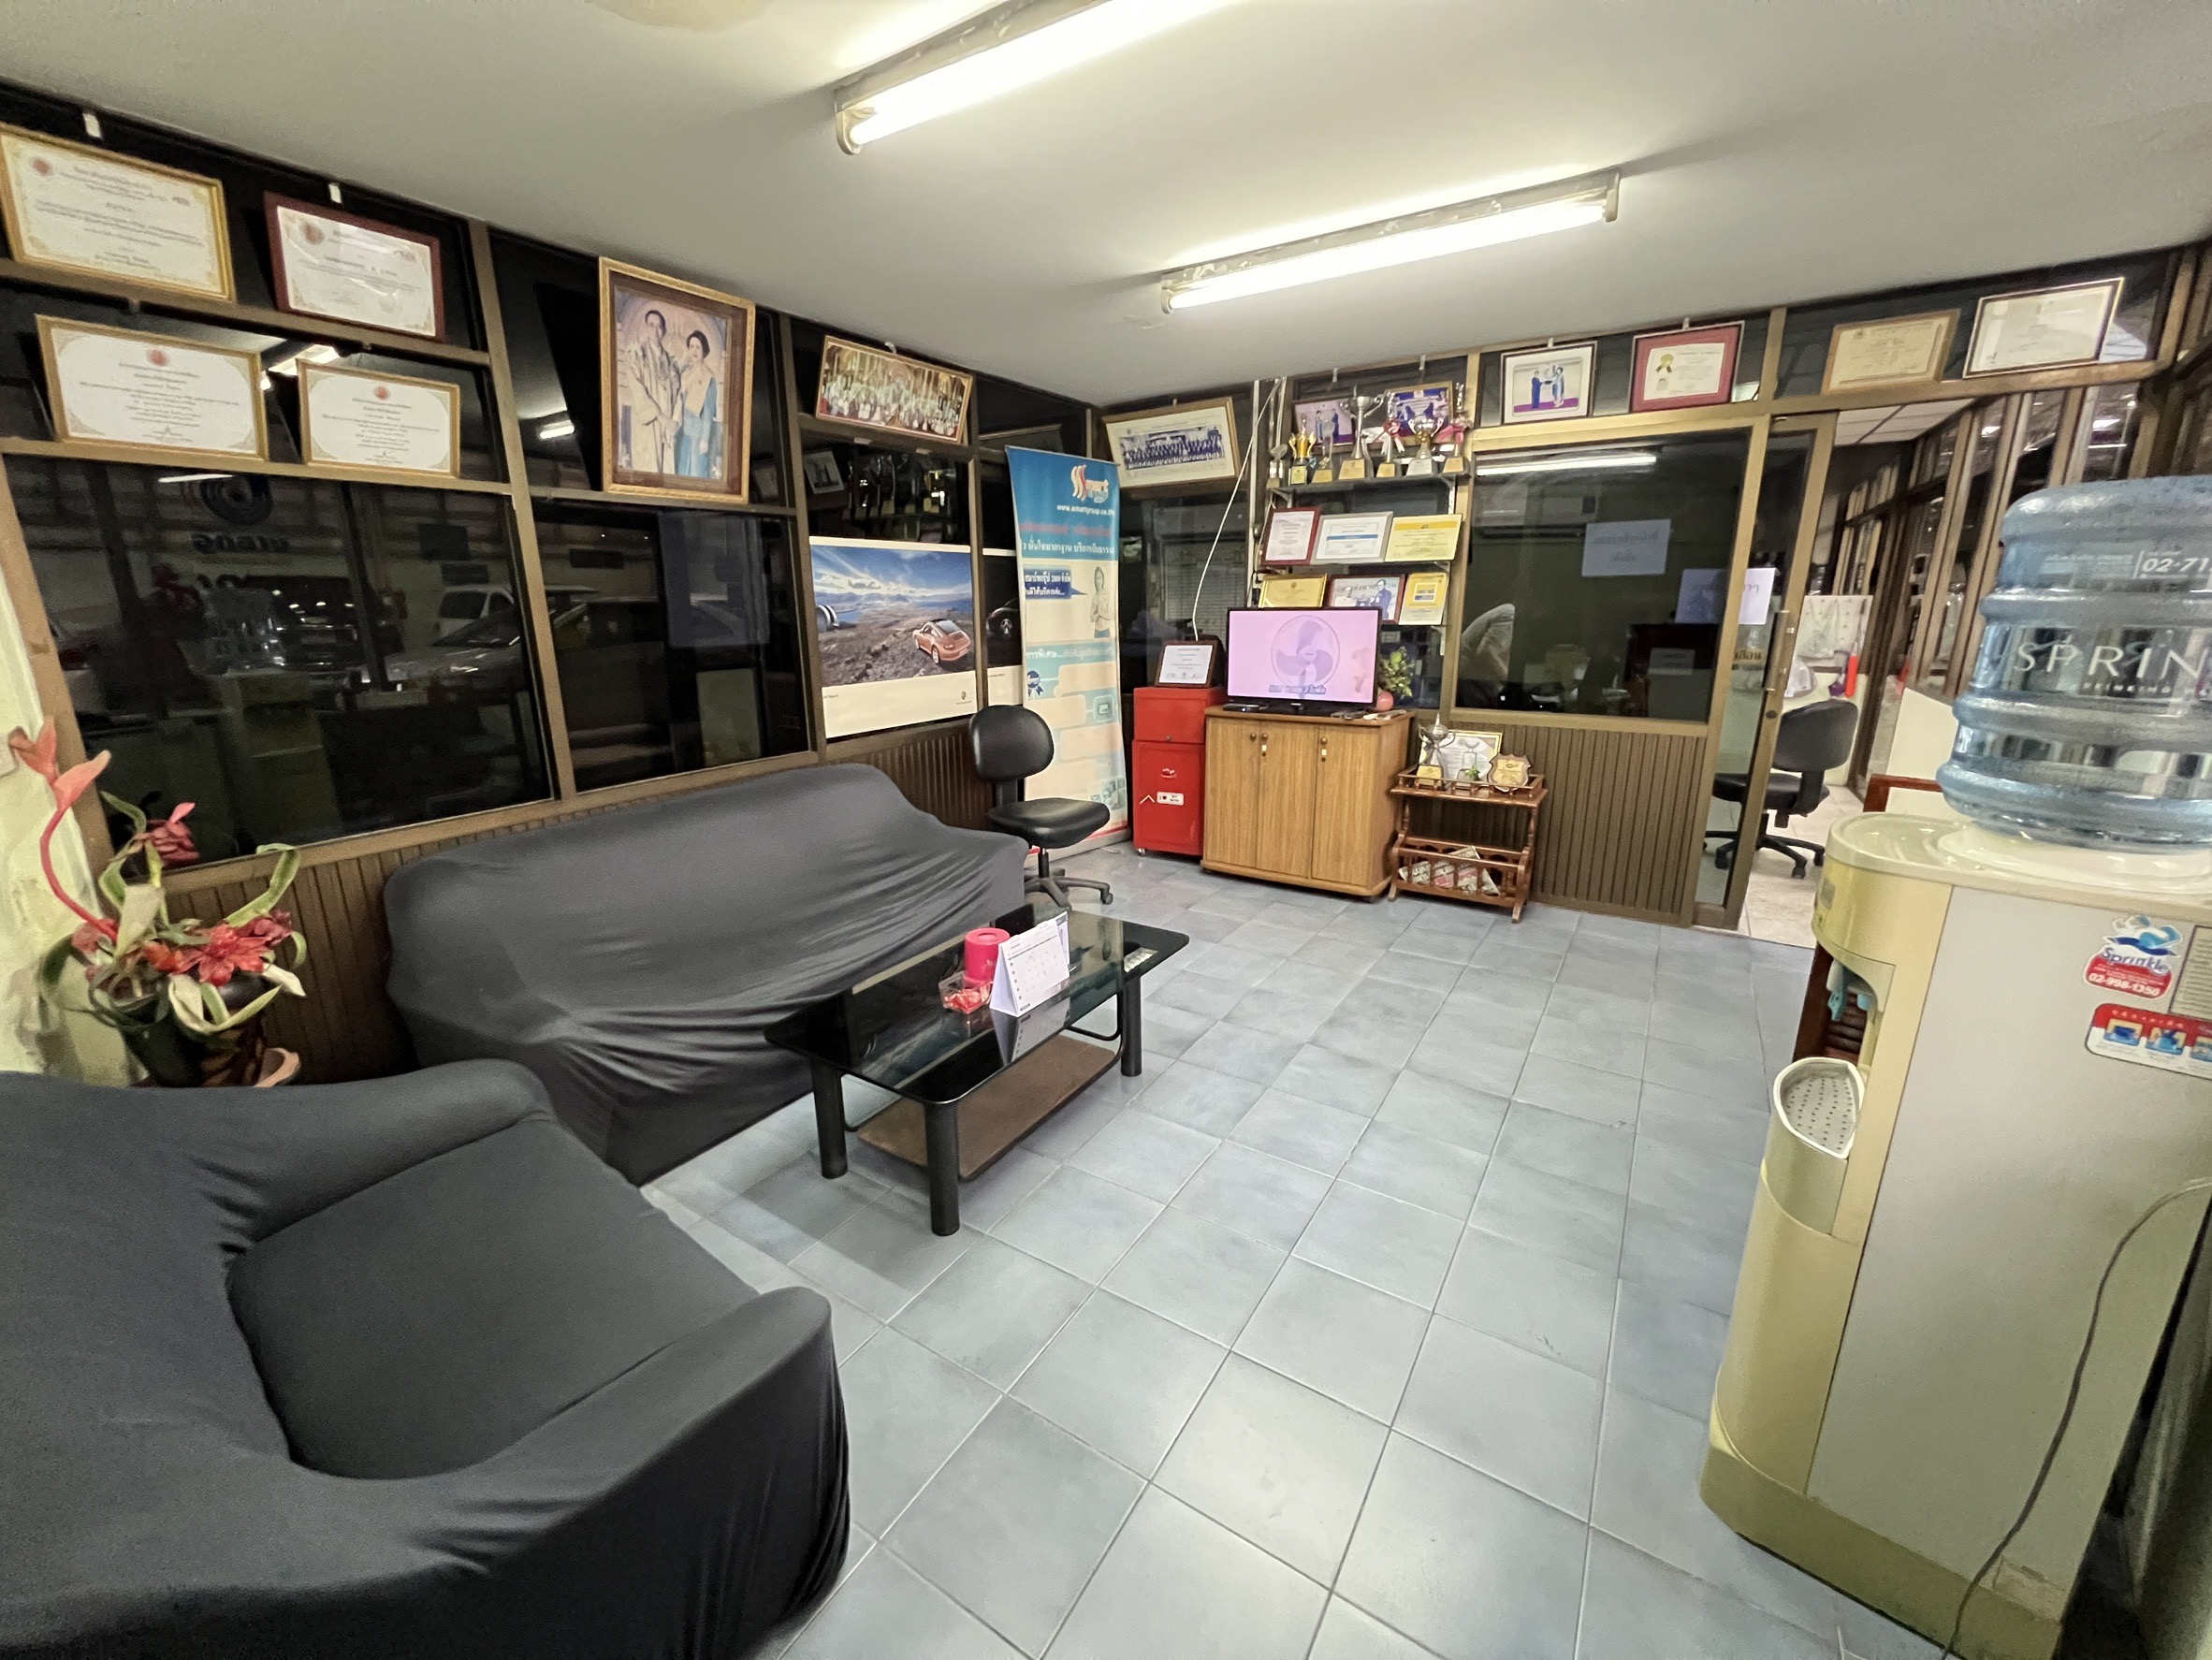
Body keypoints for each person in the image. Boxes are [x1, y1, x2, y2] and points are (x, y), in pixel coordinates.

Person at [620, 306, 681, 473]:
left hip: (667, 428)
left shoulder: (671, 363)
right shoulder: (638, 355)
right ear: (646, 327)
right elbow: (637, 389)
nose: (655, 330)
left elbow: (679, 396)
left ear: (664, 330)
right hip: (649, 424)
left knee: (667, 474)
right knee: (649, 472)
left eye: (659, 326)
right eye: (651, 325)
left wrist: (673, 422)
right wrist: (661, 418)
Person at [674, 328, 721, 480]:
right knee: (682, 470)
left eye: (698, 347)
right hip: (684, 431)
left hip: (698, 433)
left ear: (704, 351)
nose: (694, 351)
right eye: (692, 346)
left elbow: (708, 411)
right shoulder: (685, 374)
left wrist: (704, 440)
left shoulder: (708, 377)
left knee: (695, 473)